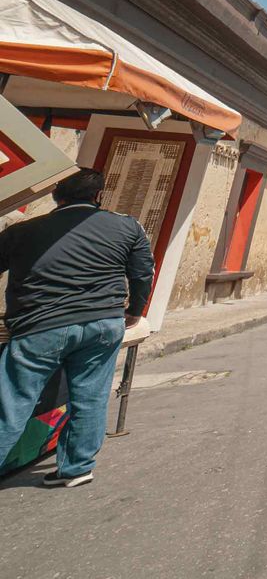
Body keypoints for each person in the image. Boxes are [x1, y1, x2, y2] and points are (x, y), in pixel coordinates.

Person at [0, 169, 154, 487]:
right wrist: (134, 312)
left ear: (57, 196)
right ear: (98, 196)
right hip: (103, 323)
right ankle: (77, 467)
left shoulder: (23, 231)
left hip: (41, 326)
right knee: (90, 395)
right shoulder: (128, 226)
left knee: (13, 401)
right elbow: (143, 274)